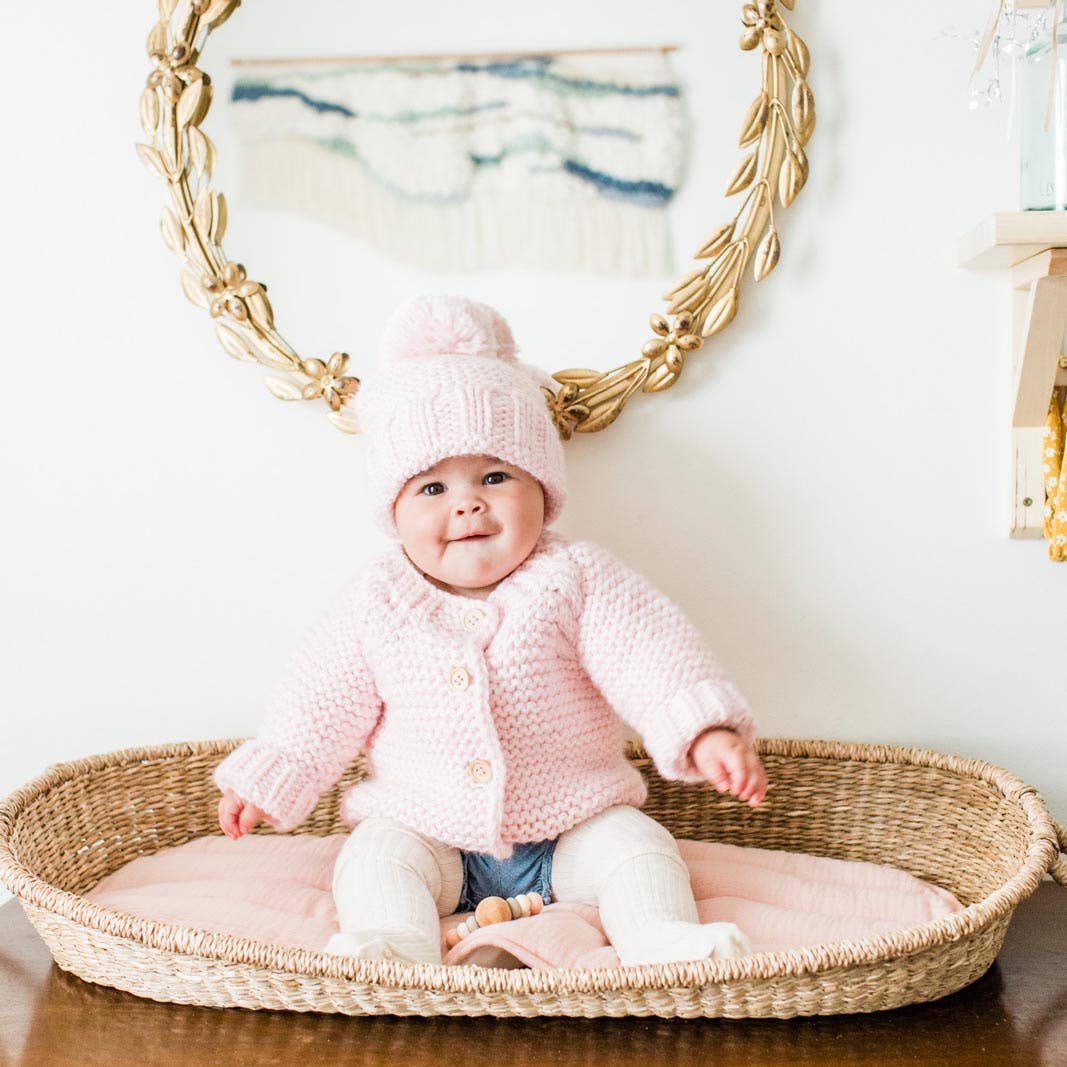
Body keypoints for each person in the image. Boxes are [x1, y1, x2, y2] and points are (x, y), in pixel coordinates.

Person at [214, 293, 768, 968]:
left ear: (541, 486)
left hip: (572, 827)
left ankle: (661, 940)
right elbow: (320, 700)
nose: (468, 502)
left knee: (639, 848)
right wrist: (272, 775)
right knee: (373, 856)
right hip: (427, 829)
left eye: (495, 475)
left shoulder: (577, 579)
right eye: (432, 489)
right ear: (393, 510)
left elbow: (651, 656)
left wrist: (702, 728)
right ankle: (393, 945)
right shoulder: (378, 601)